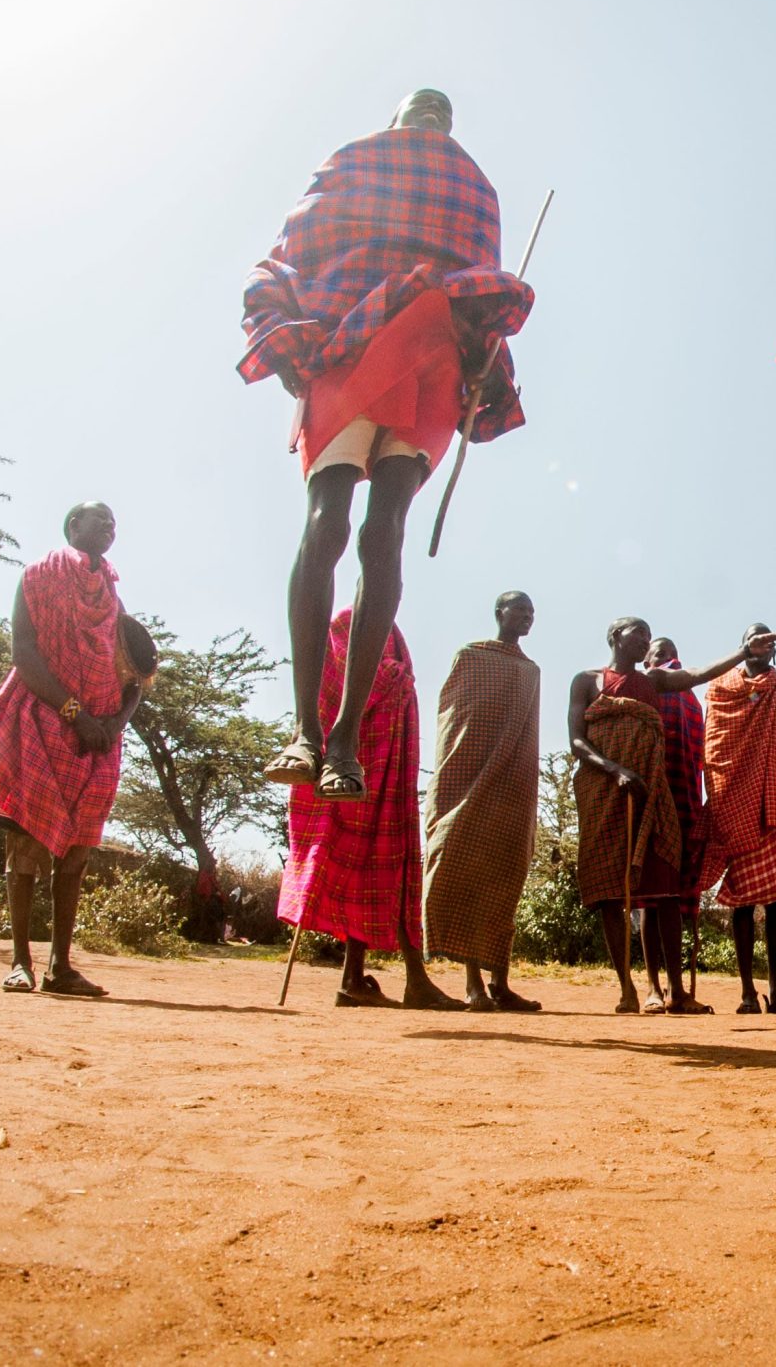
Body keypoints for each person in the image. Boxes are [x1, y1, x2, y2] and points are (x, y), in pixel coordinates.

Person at [247, 89, 536, 802]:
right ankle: (305, 732)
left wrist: (483, 345)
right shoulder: (358, 161)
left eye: (440, 113)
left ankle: (341, 738)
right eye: (423, 110)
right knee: (329, 523)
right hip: (349, 341)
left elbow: (476, 275)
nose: (432, 121)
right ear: (399, 117)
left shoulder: (470, 186)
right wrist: (291, 337)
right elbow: (300, 248)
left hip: (433, 358)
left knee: (385, 536)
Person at [568, 619, 776, 1014]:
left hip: (651, 788)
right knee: (610, 892)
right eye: (639, 634)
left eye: (649, 636)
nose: (646, 641)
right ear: (615, 637)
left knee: (665, 886)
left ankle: (677, 992)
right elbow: (577, 740)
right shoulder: (586, 680)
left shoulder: (654, 682)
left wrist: (745, 650)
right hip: (603, 788)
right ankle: (628, 989)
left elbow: (700, 673)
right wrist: (614, 770)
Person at [0, 504, 150, 997]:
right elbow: (24, 654)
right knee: (25, 847)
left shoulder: (115, 602)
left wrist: (113, 725)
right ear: (73, 527)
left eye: (115, 523)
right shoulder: (37, 577)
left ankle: (60, 966)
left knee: (77, 853)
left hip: (98, 740)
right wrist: (76, 712)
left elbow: (136, 674)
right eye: (100, 520)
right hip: (43, 722)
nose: (110, 528)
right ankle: (20, 962)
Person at [282, 610, 459, 1010]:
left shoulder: (390, 629)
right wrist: (398, 675)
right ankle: (377, 980)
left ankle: (376, 980)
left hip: (390, 763)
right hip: (354, 761)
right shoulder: (347, 620)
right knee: (358, 862)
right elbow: (341, 682)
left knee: (390, 865)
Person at [420, 592, 542, 1012]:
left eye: (531, 611)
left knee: (504, 879)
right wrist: (460, 768)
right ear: (499, 614)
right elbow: (453, 717)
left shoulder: (531, 671)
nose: (526, 616)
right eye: (519, 609)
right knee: (465, 872)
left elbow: (528, 730)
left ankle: (500, 984)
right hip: (468, 776)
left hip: (513, 784)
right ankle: (473, 982)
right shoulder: (470, 657)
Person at [701, 625, 776, 1013]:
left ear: (775, 651)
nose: (762, 648)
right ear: (743, 646)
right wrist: (723, 797)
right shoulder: (718, 690)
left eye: (768, 643)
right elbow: (712, 750)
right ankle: (748, 993)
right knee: (743, 905)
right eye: (754, 640)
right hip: (734, 804)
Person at [642, 635, 713, 1003]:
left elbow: (702, 754)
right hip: (652, 799)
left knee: (672, 897)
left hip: (685, 799)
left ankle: (675, 989)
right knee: (652, 896)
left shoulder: (692, 700)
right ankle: (655, 988)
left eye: (672, 656)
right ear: (645, 663)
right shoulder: (645, 690)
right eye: (658, 656)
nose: (668, 662)